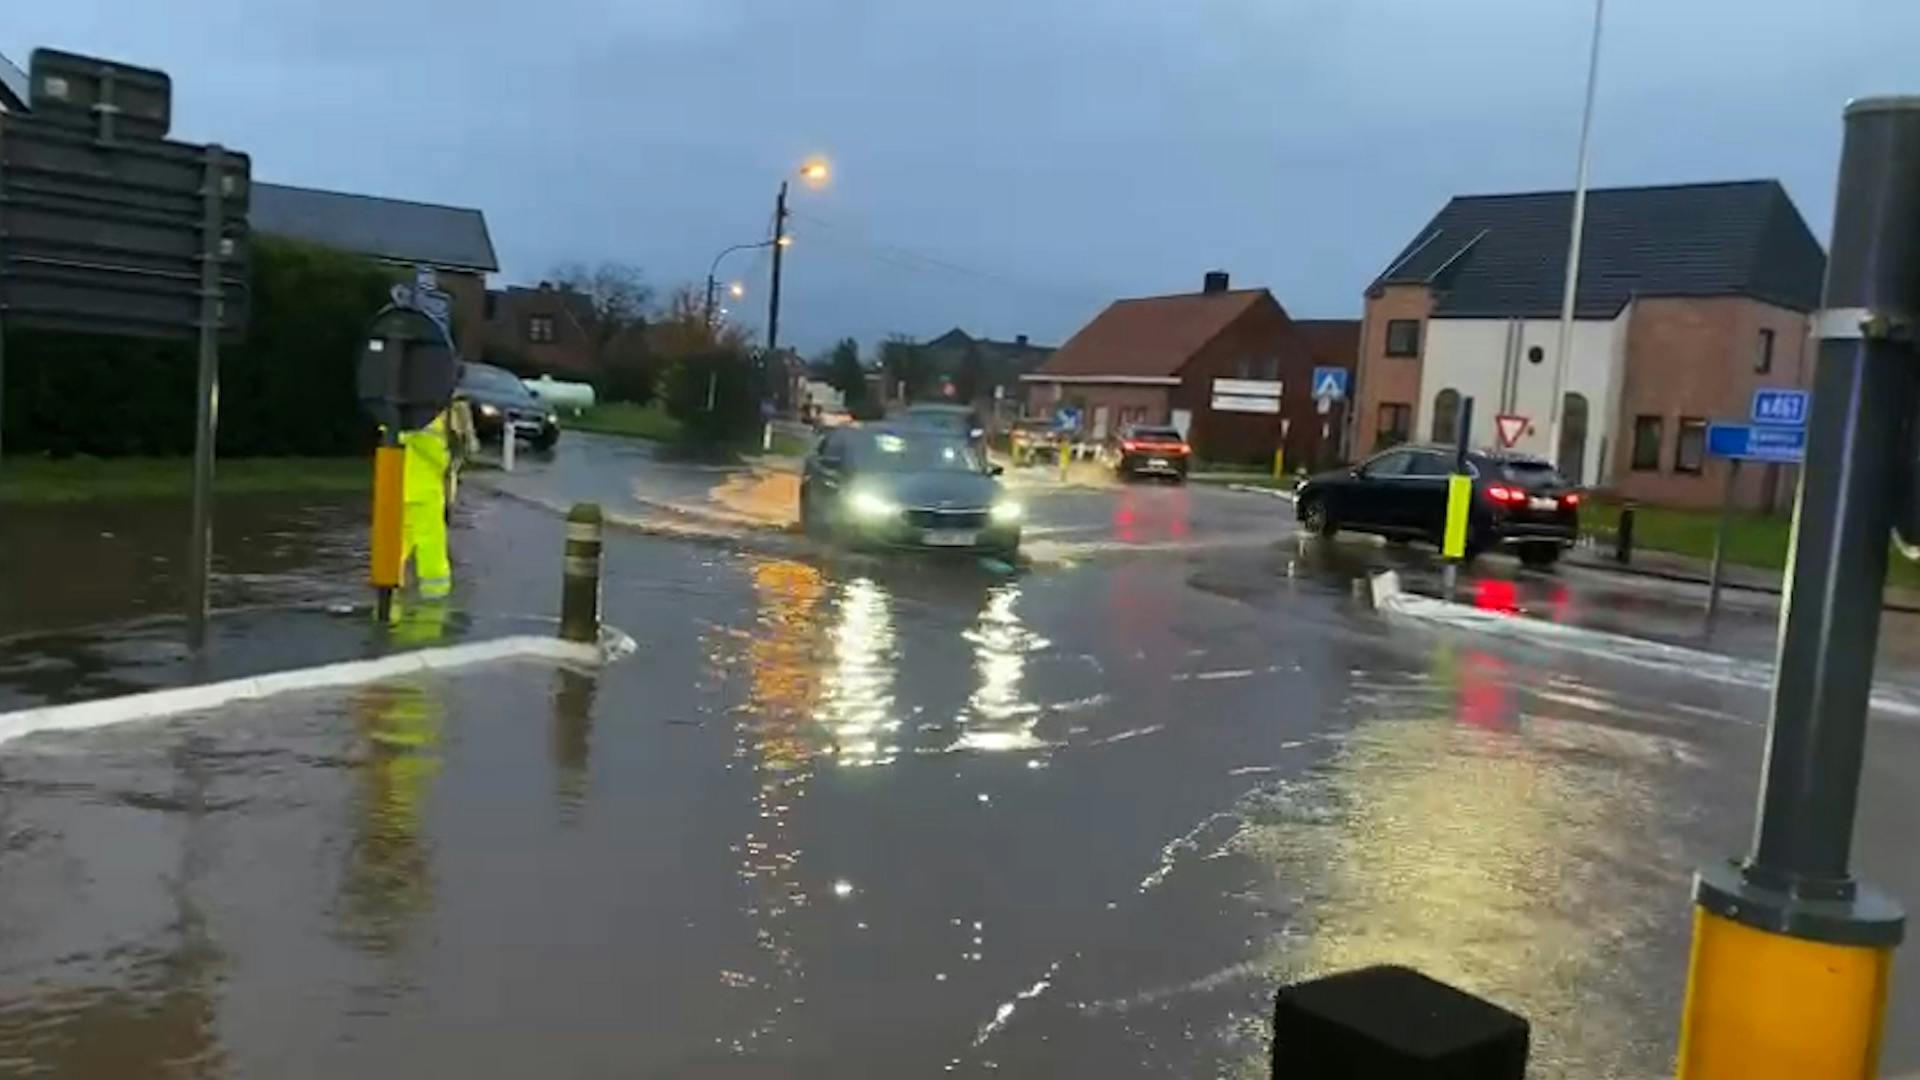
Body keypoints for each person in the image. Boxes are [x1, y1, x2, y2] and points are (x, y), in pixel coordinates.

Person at [400, 409, 453, 599]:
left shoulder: (395, 416)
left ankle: (391, 586)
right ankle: (435, 592)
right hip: (424, 492)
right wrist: (449, 459)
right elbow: (437, 456)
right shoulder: (429, 420)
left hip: (399, 488)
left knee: (398, 543)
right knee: (431, 543)